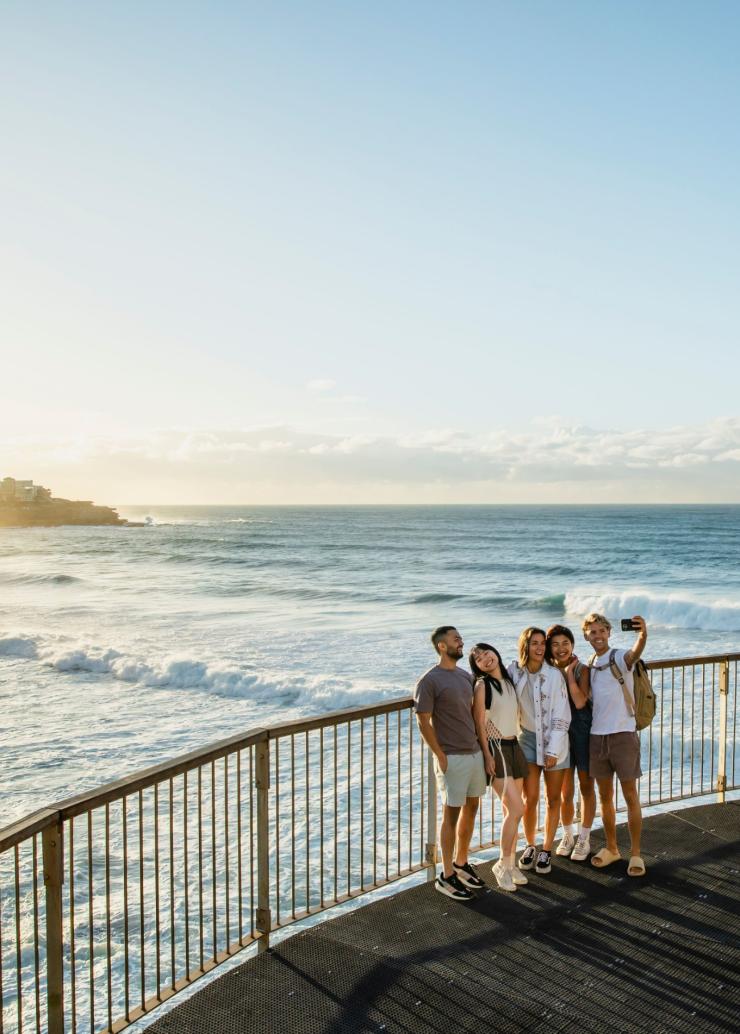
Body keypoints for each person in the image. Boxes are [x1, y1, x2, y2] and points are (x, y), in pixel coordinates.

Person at [414, 625, 487, 900]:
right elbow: (423, 720)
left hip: (473, 753)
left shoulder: (466, 676)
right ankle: (445, 876)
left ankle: (461, 862)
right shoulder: (429, 680)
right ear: (442, 646)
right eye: (456, 639)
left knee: (472, 807)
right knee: (451, 815)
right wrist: (439, 755)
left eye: (460, 638)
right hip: (451, 757)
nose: (461, 642)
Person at [583, 613, 648, 877]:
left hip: (623, 734)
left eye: (601, 631)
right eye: (592, 632)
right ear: (586, 636)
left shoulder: (620, 657)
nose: (597, 636)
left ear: (609, 632)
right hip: (597, 737)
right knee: (604, 798)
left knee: (630, 796)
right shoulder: (589, 664)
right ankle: (611, 848)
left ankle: (635, 854)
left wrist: (643, 634)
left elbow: (635, 653)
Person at [508, 627, 571, 875]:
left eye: (541, 644)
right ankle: (530, 845)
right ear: (525, 645)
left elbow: (562, 715)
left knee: (552, 798)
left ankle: (546, 849)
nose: (539, 648)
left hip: (554, 741)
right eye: (534, 643)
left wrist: (553, 749)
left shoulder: (554, 675)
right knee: (529, 799)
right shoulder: (515, 672)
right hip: (526, 740)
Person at [470, 643, 527, 892]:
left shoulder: (509, 681)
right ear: (477, 666)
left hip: (515, 747)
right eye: (479, 658)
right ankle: (502, 865)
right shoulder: (483, 686)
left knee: (511, 813)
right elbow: (479, 724)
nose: (485, 658)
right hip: (497, 749)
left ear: (496, 653)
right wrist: (487, 755)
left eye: (487, 653)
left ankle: (511, 863)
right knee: (518, 808)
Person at [545, 624, 596, 862]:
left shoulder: (582, 670)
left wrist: (567, 675)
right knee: (565, 791)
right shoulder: (545, 671)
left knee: (586, 786)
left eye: (565, 643)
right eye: (555, 644)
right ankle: (567, 835)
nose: (561, 648)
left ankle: (584, 837)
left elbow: (578, 703)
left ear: (573, 645)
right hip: (559, 734)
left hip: (581, 731)